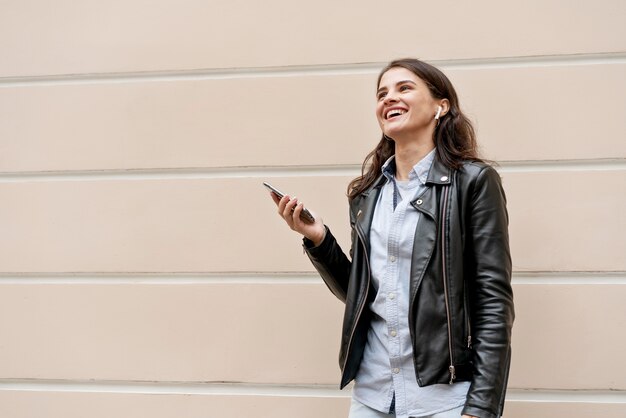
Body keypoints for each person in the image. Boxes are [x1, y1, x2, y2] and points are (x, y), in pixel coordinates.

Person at [269, 58, 514, 418]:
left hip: (442, 400)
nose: (389, 98)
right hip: (374, 394)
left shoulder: (473, 183)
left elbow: (493, 303)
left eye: (404, 88)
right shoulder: (367, 193)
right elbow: (360, 292)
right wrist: (318, 239)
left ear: (441, 106)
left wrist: (481, 408)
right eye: (382, 93)